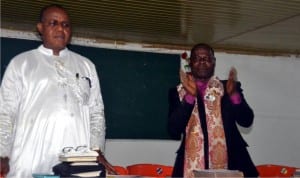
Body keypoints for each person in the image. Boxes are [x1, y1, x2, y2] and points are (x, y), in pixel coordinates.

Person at [0, 4, 116, 178]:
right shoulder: (22, 63)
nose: (60, 28)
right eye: (53, 23)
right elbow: (5, 112)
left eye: (66, 25)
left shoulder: (86, 66)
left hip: (77, 160)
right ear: (40, 28)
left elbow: (96, 112)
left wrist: (96, 150)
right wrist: (2, 153)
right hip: (30, 157)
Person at [168, 43, 259, 178]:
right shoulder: (177, 92)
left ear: (214, 62)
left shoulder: (228, 87)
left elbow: (247, 121)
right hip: (191, 166)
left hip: (232, 163)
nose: (202, 62)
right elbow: (173, 129)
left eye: (207, 58)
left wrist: (234, 95)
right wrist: (189, 97)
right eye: (197, 58)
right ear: (190, 62)